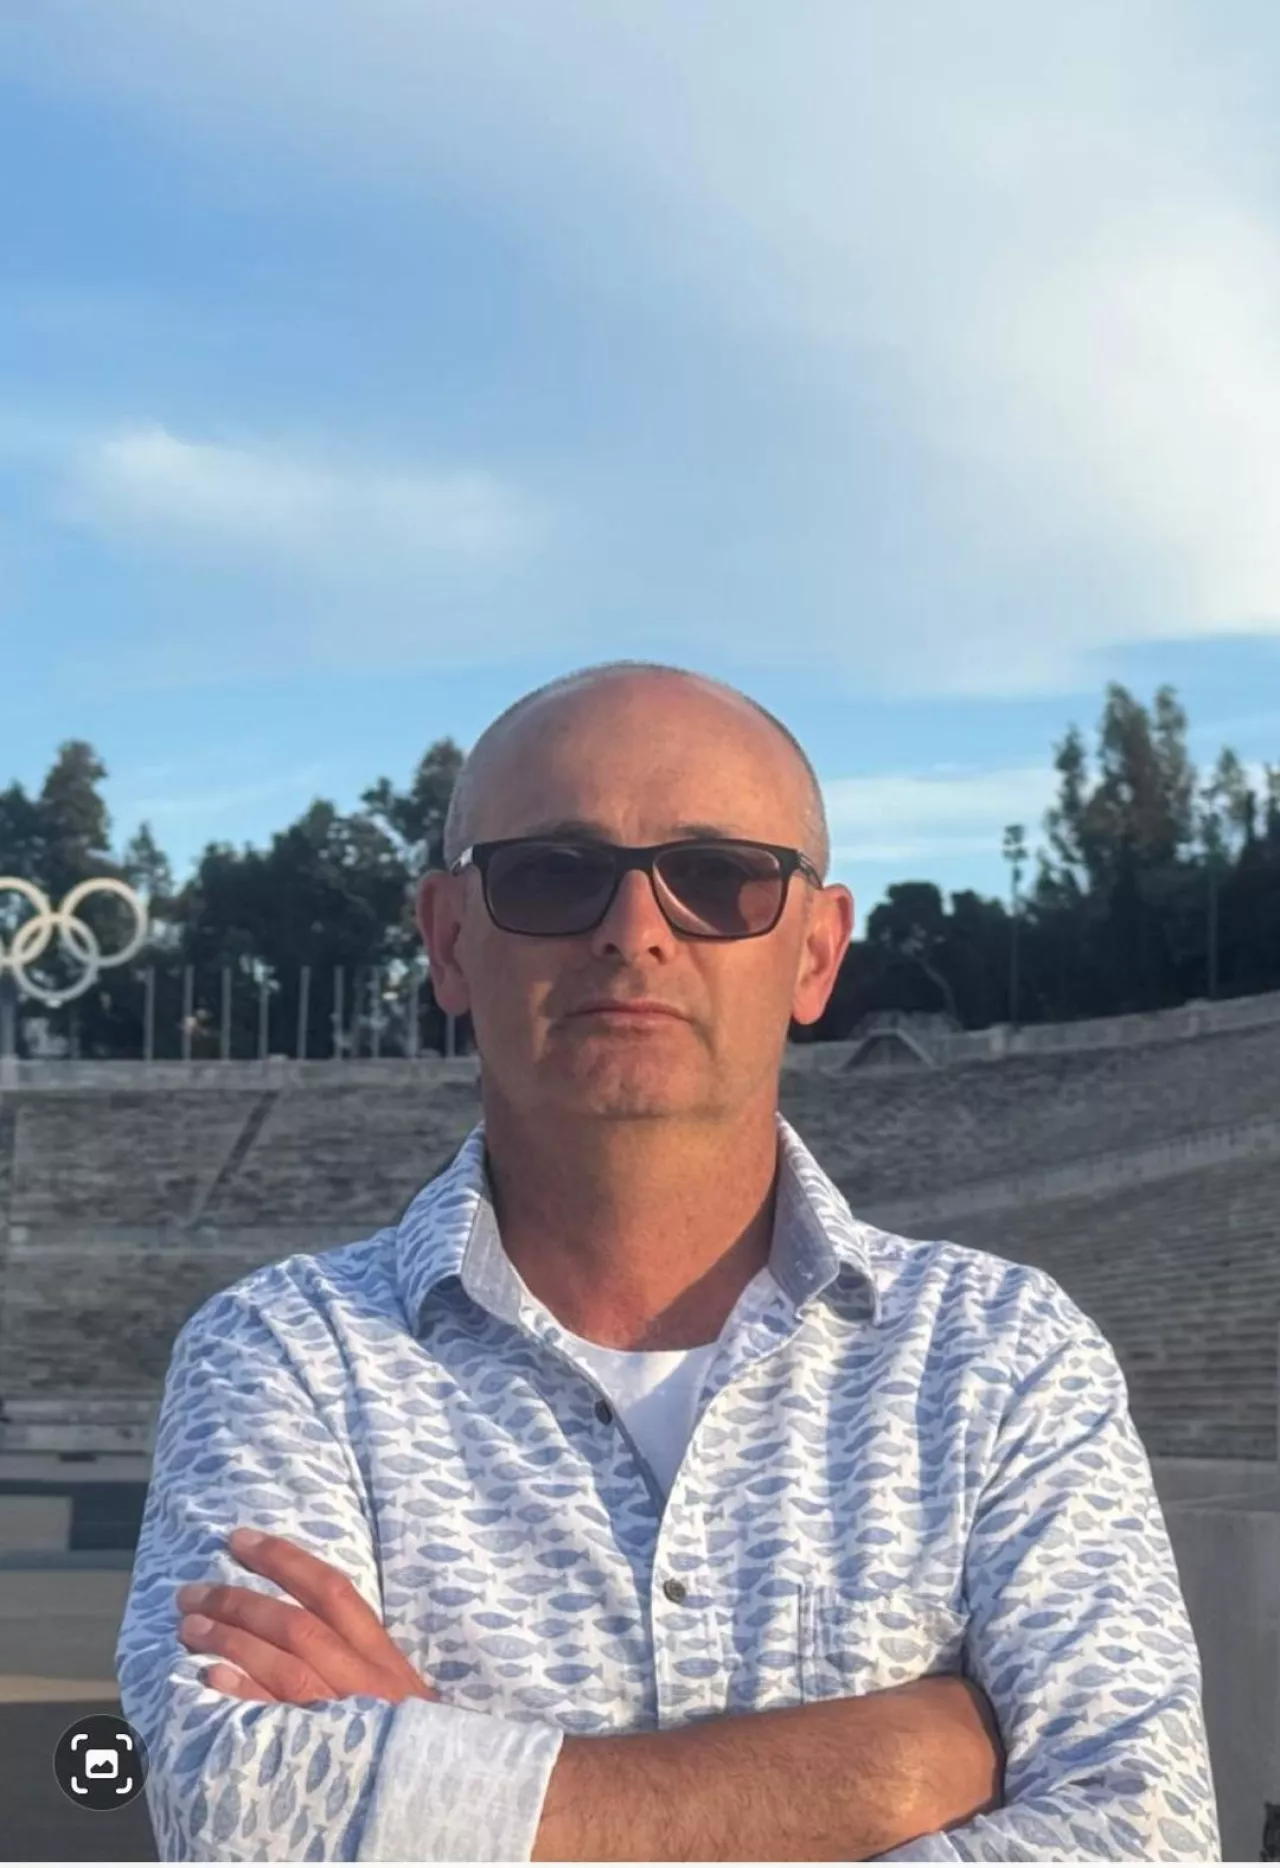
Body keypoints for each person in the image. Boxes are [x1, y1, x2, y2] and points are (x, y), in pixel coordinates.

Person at [116, 660, 1220, 1861]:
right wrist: (883, 1771)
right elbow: (246, 1818)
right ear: (446, 939)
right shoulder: (283, 1351)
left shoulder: (1000, 1352)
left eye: (718, 877)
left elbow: (1138, 1834)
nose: (633, 929)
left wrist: (436, 1784)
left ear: (814, 952)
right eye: (552, 873)